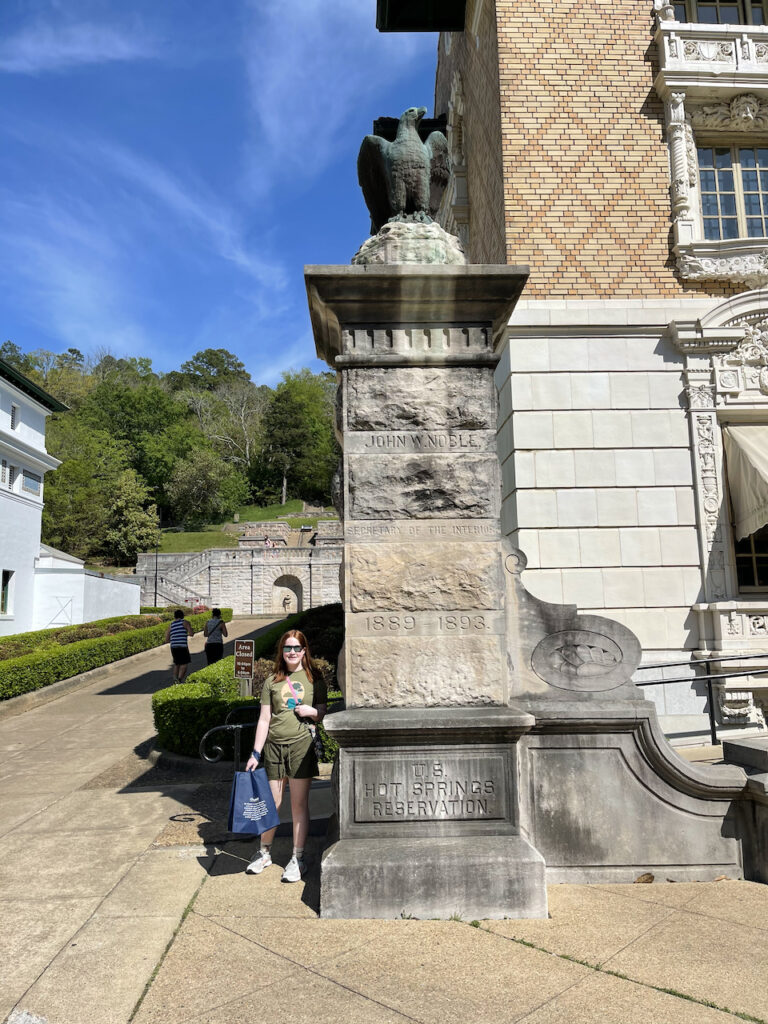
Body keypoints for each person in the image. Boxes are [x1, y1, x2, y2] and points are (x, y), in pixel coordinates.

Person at [244, 629, 326, 882]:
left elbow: (322, 712)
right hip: (274, 747)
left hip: (301, 745)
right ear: (282, 651)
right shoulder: (273, 681)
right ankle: (264, 853)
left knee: (298, 804)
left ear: (304, 651)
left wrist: (311, 711)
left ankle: (297, 857)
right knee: (272, 804)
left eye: (296, 648)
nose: (292, 652)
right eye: (287, 648)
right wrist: (255, 752)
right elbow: (264, 718)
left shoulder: (315, 678)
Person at [164, 608, 194, 682]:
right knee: (184, 664)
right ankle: (179, 679)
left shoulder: (171, 624)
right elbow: (191, 634)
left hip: (173, 646)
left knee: (177, 663)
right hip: (182, 646)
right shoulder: (185, 622)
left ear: (174, 616)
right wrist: (190, 630)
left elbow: (167, 639)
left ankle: (175, 678)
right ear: (182, 616)